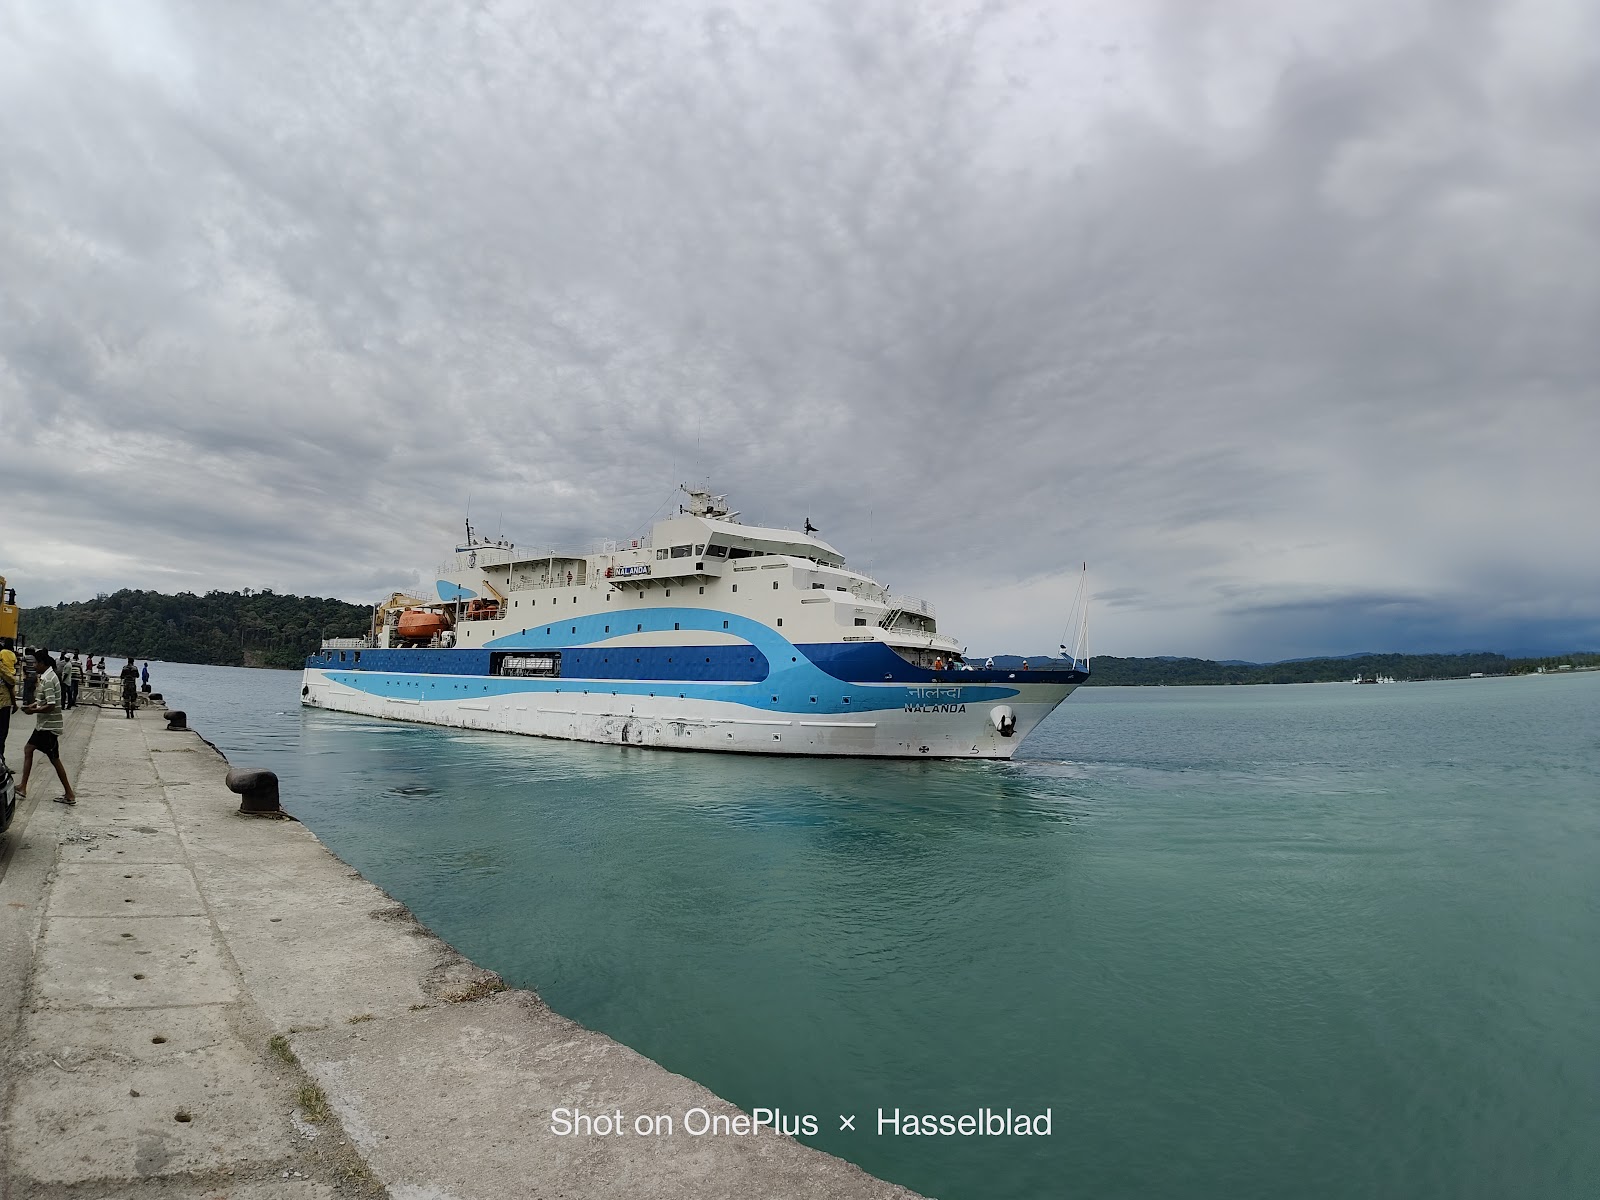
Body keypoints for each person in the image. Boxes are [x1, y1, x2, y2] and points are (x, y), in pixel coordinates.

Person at [19, 649, 75, 805]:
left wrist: (33, 710)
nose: (35, 666)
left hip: (48, 726)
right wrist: (33, 705)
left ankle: (69, 794)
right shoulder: (47, 677)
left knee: (53, 759)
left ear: (43, 663)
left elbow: (51, 705)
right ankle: (23, 786)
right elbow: (45, 700)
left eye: (36, 663)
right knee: (31, 750)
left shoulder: (49, 679)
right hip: (43, 725)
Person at [0, 637, 16, 764]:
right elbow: (11, 680)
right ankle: (1, 761)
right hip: (3, 701)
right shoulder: (2, 665)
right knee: (2, 733)